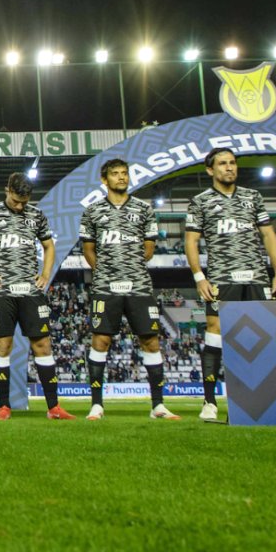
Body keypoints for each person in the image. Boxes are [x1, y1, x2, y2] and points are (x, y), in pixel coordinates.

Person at [184, 149, 276, 421]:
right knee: (215, 330)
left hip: (256, 277)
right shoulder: (200, 201)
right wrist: (199, 277)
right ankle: (209, 402)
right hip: (221, 277)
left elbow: (267, 234)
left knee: (263, 335)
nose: (229, 168)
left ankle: (265, 399)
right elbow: (192, 241)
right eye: (222, 164)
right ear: (210, 170)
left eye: (232, 163)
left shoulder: (252, 197)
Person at [0, 172, 74, 420]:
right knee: (3, 346)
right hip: (2, 292)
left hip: (31, 292)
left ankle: (53, 407)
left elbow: (49, 245)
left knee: (42, 345)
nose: (20, 206)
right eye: (16, 201)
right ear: (7, 190)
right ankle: (4, 407)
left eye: (24, 201)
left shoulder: (36, 215)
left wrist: (46, 274)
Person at [79, 158, 177, 420]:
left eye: (124, 173)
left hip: (140, 286)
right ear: (104, 180)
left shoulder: (144, 209)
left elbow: (149, 247)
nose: (121, 177)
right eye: (115, 174)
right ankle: (97, 405)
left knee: (150, 340)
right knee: (101, 340)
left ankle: (158, 405)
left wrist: (129, 266)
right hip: (105, 287)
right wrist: (106, 272)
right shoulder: (92, 211)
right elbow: (88, 250)